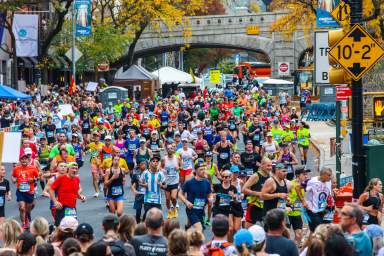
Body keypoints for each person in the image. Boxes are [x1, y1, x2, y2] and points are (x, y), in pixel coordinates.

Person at [179, 160, 212, 232]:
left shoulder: (207, 182)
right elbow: (180, 194)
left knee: (197, 230)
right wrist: (186, 202)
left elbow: (210, 194)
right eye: (201, 169)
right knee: (199, 229)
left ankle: (188, 228)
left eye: (204, 169)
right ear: (196, 171)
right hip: (191, 210)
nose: (203, 171)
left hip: (201, 211)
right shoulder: (189, 182)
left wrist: (210, 199)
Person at [49, 162, 86, 226]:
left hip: (72, 208)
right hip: (62, 208)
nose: (74, 170)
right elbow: (51, 189)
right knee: (59, 228)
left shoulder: (77, 179)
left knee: (72, 227)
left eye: (76, 169)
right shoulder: (61, 178)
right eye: (72, 168)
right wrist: (55, 202)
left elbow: (75, 192)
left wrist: (81, 197)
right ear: (68, 169)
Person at [12, 153, 40, 229]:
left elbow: (38, 177)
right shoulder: (17, 168)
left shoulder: (33, 168)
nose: (24, 160)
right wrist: (14, 180)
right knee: (22, 208)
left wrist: (33, 179)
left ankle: (27, 215)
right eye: (22, 159)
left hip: (30, 191)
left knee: (28, 208)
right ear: (20, 160)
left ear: (28, 160)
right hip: (20, 191)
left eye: (25, 159)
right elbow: (13, 177)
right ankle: (23, 223)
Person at [242, 159, 272, 228]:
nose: (270, 168)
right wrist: (258, 194)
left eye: (271, 166)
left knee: (267, 229)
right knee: (249, 229)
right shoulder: (256, 176)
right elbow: (244, 189)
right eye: (268, 166)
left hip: (265, 206)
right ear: (262, 165)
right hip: (254, 206)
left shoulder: (269, 176)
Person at [304, 167, 332, 232]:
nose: (330, 177)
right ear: (323, 174)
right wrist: (303, 201)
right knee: (319, 231)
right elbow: (298, 187)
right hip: (313, 211)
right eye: (329, 175)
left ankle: (311, 242)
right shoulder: (312, 181)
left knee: (315, 232)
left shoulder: (328, 182)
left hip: (324, 211)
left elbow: (329, 195)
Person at [287, 167, 310, 246]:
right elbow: (283, 196)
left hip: (297, 213)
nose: (306, 176)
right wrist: (288, 201)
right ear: (297, 175)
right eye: (304, 174)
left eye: (306, 174)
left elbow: (302, 198)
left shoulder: (303, 185)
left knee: (299, 235)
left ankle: (293, 248)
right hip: (287, 213)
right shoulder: (290, 184)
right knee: (286, 235)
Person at [140, 156, 167, 220]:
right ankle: (144, 225)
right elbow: (140, 183)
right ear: (150, 163)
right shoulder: (145, 173)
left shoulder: (161, 174)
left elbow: (165, 185)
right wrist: (144, 185)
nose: (155, 163)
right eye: (153, 161)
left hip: (157, 199)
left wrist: (162, 186)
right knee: (147, 214)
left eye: (157, 161)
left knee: (158, 216)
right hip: (147, 198)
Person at [161, 144, 180, 219]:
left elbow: (180, 167)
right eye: (168, 148)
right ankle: (169, 211)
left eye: (171, 148)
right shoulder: (164, 159)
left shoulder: (177, 158)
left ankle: (174, 208)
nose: (170, 149)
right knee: (168, 199)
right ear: (166, 150)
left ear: (173, 149)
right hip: (166, 182)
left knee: (174, 197)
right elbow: (160, 167)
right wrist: (163, 170)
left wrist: (178, 168)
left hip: (175, 181)